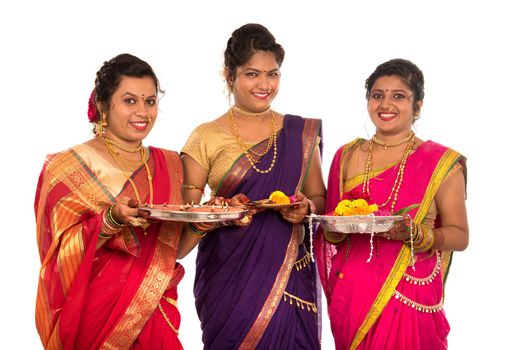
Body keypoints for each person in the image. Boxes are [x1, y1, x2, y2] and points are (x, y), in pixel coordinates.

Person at [180, 23, 326, 349]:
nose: (264, 84)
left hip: (288, 273)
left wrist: (305, 208)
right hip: (228, 279)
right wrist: (215, 211)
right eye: (252, 74)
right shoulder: (205, 136)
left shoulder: (299, 133)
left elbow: (319, 199)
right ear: (228, 75)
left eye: (272, 74)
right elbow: (184, 219)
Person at [35, 53, 188, 349]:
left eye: (150, 101)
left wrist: (207, 221)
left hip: (155, 312)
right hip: (95, 315)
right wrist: (110, 220)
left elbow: (173, 248)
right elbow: (58, 257)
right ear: (104, 106)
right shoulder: (69, 167)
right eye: (129, 101)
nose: (142, 112)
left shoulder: (170, 163)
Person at [314, 58, 469, 349]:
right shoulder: (346, 156)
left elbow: (459, 235)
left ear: (418, 106)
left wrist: (418, 235)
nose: (386, 104)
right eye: (377, 95)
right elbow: (330, 230)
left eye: (398, 96)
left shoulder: (441, 163)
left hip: (410, 290)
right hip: (354, 291)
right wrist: (338, 225)